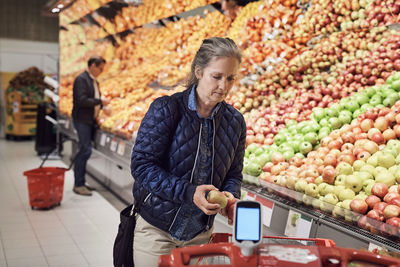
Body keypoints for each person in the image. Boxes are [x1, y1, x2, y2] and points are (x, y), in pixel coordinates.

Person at [130, 37, 246, 267]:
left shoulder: (235, 122)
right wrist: (189, 192)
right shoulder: (166, 109)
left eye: (231, 78)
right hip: (157, 230)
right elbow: (142, 166)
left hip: (200, 235)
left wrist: (231, 197)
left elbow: (234, 173)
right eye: (217, 76)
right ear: (199, 72)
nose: (224, 86)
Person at [72, 56, 110, 196]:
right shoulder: (81, 79)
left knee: (85, 150)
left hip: (89, 120)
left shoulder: (94, 81)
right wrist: (100, 101)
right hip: (82, 120)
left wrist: (101, 107)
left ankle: (81, 181)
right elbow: (81, 100)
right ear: (93, 65)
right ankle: (78, 184)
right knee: (84, 150)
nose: (101, 71)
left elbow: (91, 100)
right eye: (100, 68)